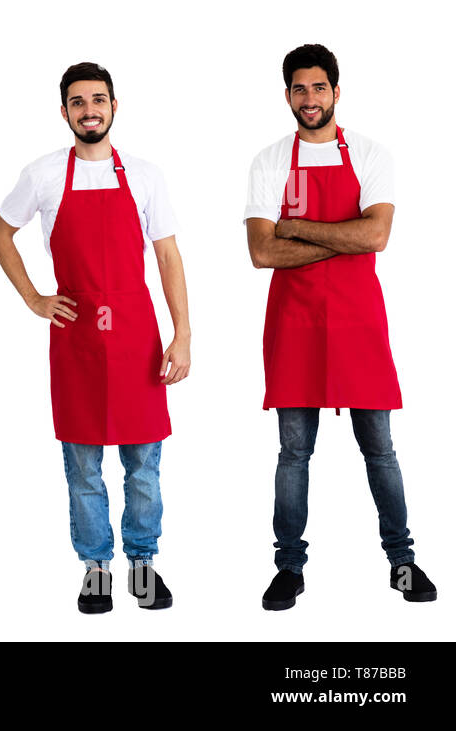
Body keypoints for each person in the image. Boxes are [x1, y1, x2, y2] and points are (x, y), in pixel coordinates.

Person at [0, 62, 191, 614]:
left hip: (136, 338)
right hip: (75, 338)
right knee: (82, 465)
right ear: (65, 113)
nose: (89, 110)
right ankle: (96, 567)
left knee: (143, 463)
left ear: (114, 106)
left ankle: (143, 563)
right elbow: (0, 233)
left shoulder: (145, 175)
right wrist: (33, 297)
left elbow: (168, 256)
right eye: (78, 102)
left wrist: (183, 334)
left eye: (97, 99)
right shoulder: (43, 174)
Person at [245, 44, 437, 610]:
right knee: (293, 453)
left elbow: (375, 237)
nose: (310, 99)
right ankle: (288, 568)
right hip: (295, 323)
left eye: (319, 87)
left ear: (336, 91)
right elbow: (261, 251)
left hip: (358, 324)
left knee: (380, 450)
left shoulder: (374, 155)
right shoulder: (269, 162)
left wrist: (297, 228)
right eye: (299, 89)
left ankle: (401, 560)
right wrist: (339, 236)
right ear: (287, 96)